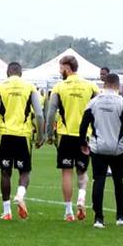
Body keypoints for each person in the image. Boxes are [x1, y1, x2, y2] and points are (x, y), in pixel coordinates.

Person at [79, 73, 123, 228]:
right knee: (118, 181)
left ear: (104, 85)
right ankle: (120, 216)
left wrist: (83, 143)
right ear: (117, 86)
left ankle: (98, 218)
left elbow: (83, 124)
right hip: (118, 149)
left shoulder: (93, 102)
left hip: (98, 147)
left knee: (98, 180)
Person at [0, 62, 44, 220]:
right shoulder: (30, 87)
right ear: (21, 73)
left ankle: (6, 211)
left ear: (7, 72)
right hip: (23, 134)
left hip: (4, 134)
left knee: (5, 172)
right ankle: (20, 194)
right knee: (25, 171)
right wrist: (40, 136)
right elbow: (39, 114)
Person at [46, 55, 100, 222]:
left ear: (67, 68)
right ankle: (82, 197)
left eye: (61, 68)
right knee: (82, 171)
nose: (59, 71)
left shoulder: (59, 87)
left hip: (66, 135)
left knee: (67, 172)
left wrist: (48, 134)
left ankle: (68, 212)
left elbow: (51, 112)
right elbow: (97, 111)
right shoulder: (91, 87)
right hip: (85, 136)